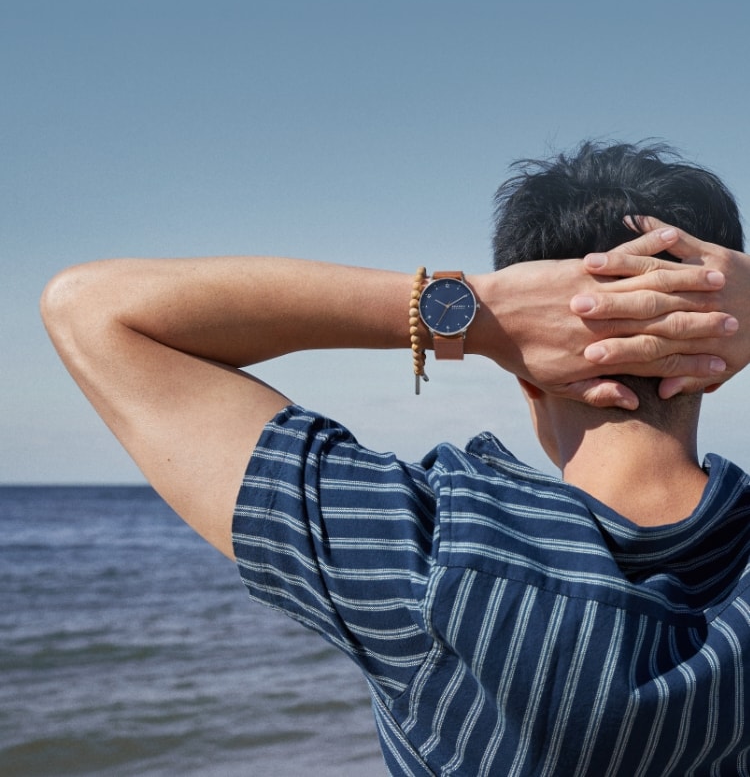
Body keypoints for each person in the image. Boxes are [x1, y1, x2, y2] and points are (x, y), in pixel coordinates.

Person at [41, 141, 750, 776]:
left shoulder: (433, 553)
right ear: (718, 363)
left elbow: (92, 308)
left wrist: (474, 311)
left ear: (527, 375)